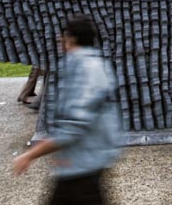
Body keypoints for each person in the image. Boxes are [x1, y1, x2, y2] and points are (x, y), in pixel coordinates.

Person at [14, 15, 121, 205]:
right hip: (87, 162)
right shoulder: (97, 65)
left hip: (80, 168)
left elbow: (74, 126)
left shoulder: (84, 68)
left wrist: (31, 155)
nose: (60, 42)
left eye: (62, 38)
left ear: (71, 38)